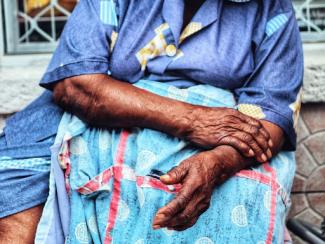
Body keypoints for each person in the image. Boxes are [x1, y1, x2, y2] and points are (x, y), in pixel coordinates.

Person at [0, 0, 303, 243]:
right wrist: (193, 120)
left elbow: (271, 116)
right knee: (17, 209)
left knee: (243, 194)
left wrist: (219, 163)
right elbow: (76, 85)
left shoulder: (272, 10)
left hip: (218, 145)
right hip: (100, 117)